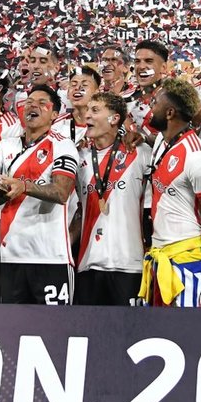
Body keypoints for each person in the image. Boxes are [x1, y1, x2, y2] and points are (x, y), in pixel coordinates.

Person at [140, 79, 201, 307]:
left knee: (186, 329)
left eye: (155, 103)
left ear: (169, 113)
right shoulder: (161, 141)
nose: (150, 108)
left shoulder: (198, 157)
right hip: (160, 258)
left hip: (189, 265)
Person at [0, 85, 80, 304]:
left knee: (55, 324)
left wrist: (24, 186)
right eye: (29, 102)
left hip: (50, 257)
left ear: (54, 114)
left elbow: (61, 192)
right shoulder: (4, 146)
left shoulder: (63, 145)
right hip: (11, 256)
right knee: (12, 324)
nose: (33, 106)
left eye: (42, 103)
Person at [74, 94, 145, 305]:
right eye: (88, 110)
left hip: (128, 264)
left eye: (95, 110)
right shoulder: (78, 156)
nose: (87, 115)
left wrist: (141, 135)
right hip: (88, 263)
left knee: (128, 326)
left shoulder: (139, 152)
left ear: (114, 119)